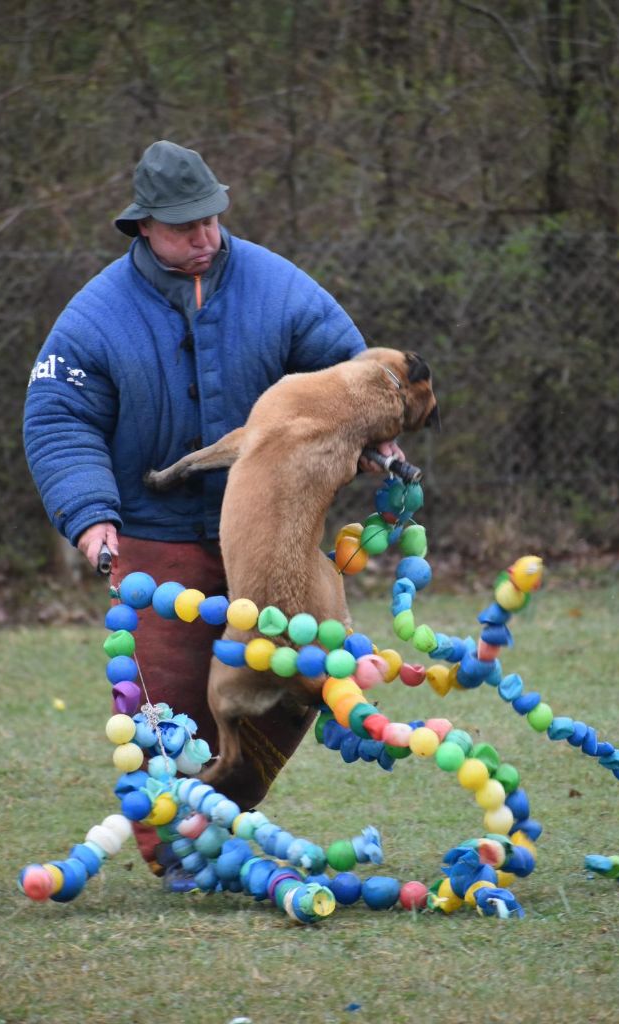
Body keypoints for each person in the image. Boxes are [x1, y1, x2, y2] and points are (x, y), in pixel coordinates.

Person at [23, 140, 403, 880]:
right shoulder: (92, 320)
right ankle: (178, 853)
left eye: (212, 220)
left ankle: (224, 820)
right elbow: (58, 420)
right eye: (182, 226)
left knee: (299, 681)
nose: (204, 237)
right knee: (167, 717)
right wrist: (90, 515)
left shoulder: (279, 289)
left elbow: (348, 379)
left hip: (278, 534)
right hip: (157, 544)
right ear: (142, 228)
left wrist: (377, 444)